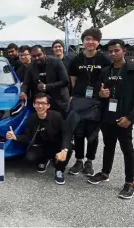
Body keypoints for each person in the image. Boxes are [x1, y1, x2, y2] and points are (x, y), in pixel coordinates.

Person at [87, 39, 134, 199]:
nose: (113, 54)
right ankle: (105, 173)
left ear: (124, 50)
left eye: (116, 50)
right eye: (110, 51)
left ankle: (130, 182)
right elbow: (96, 92)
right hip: (107, 116)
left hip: (124, 118)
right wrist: (100, 95)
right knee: (108, 146)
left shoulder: (132, 70)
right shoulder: (106, 71)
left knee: (127, 150)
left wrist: (130, 117)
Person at [68, 28, 111, 177]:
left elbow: (108, 79)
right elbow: (73, 79)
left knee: (92, 134)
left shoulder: (104, 59)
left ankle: (89, 161)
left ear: (98, 42)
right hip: (80, 100)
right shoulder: (76, 59)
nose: (90, 42)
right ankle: (79, 160)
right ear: (83, 41)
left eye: (93, 39)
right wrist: (75, 95)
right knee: (78, 132)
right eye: (87, 39)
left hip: (96, 101)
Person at [6, 93, 72, 184]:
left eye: (43, 103)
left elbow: (66, 133)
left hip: (56, 144)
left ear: (48, 105)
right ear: (33, 104)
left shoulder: (57, 116)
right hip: (42, 145)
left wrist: (64, 150)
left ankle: (59, 170)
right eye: (37, 103)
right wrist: (15, 137)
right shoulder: (31, 118)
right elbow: (28, 136)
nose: (40, 106)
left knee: (69, 148)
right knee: (30, 157)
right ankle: (44, 160)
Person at [20, 45, 70, 117]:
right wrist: (23, 92)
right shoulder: (31, 66)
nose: (37, 58)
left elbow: (65, 81)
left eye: (39, 55)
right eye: (34, 56)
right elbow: (26, 83)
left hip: (59, 100)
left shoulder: (56, 62)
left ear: (44, 53)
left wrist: (46, 86)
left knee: (60, 124)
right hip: (41, 102)